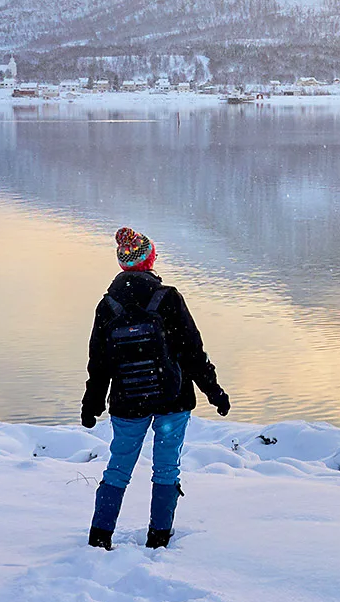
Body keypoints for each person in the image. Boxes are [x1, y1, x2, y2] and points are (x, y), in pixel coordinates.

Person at [82, 227, 230, 549]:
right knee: (166, 467)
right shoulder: (169, 299)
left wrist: (91, 404)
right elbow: (193, 353)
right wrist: (214, 391)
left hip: (126, 401)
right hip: (172, 400)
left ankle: (99, 537)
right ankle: (159, 538)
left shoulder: (107, 307)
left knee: (118, 467)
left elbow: (99, 363)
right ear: (149, 260)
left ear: (123, 266)